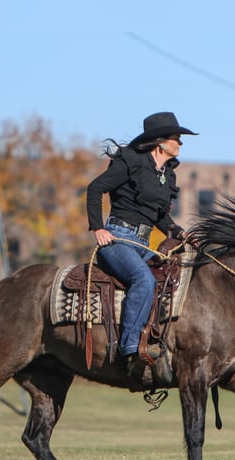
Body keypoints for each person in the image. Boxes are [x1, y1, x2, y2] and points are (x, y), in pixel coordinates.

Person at [86, 111, 197, 384]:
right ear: (160, 143)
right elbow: (94, 189)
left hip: (145, 243)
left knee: (172, 276)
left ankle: (159, 341)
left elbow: (160, 217)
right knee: (143, 279)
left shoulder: (166, 175)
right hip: (117, 239)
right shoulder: (130, 162)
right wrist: (98, 228)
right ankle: (131, 350)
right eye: (176, 138)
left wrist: (181, 234)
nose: (180, 143)